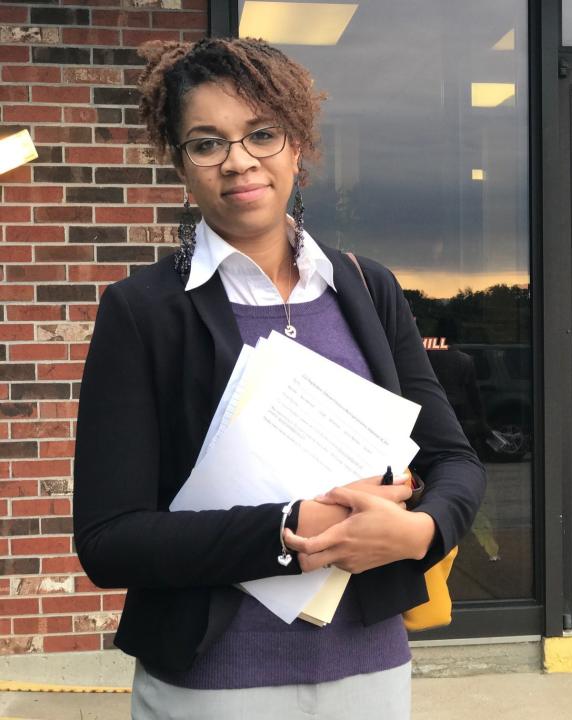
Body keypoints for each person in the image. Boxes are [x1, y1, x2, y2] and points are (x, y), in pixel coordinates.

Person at [72, 37, 485, 719]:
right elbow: (109, 540)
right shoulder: (143, 311)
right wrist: (290, 530)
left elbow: (454, 461)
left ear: (297, 145)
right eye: (207, 143)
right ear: (179, 162)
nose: (238, 161)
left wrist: (420, 532)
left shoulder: (366, 287)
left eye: (261, 134)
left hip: (370, 671)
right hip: (211, 685)